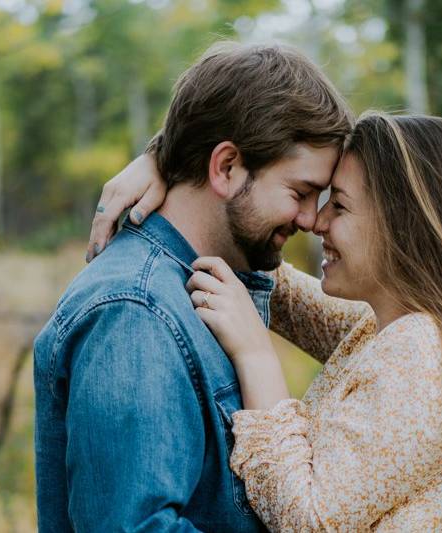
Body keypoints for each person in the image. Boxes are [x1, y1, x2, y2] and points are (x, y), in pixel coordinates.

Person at [91, 112, 442, 531]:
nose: (316, 222)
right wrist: (170, 163)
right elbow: (270, 277)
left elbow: (309, 519)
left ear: (405, 225)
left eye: (339, 206)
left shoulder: (421, 354)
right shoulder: (385, 329)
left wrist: (255, 354)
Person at [33, 41, 353, 532]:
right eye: (301, 193)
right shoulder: (135, 311)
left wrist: (164, 154)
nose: (311, 219)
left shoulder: (206, 286)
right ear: (225, 167)